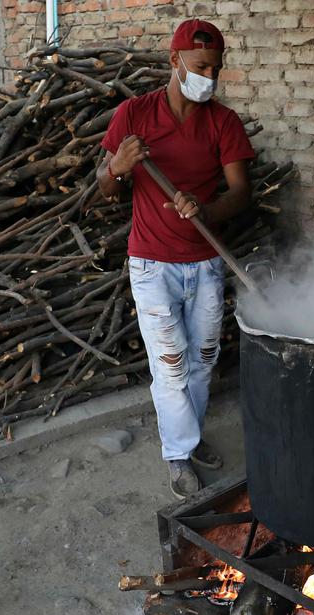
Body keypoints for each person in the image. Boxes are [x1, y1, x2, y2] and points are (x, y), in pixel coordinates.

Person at [96, 19, 254, 498]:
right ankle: (177, 454)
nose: (210, 76)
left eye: (216, 69)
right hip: (152, 264)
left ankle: (190, 436)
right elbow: (103, 189)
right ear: (175, 61)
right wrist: (118, 168)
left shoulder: (223, 122)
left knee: (204, 359)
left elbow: (241, 193)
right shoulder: (134, 115)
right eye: (202, 65)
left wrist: (207, 209)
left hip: (205, 261)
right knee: (170, 364)